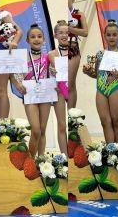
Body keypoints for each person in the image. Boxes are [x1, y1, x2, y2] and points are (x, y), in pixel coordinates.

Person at [10, 24, 52, 157]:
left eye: (39, 37)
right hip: (30, 96)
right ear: (27, 40)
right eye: (33, 37)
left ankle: (41, 159)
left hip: (45, 95)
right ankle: (30, 159)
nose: (36, 39)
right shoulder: (23, 57)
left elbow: (54, 75)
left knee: (43, 130)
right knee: (36, 130)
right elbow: (10, 73)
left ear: (44, 40)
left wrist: (55, 73)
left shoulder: (48, 57)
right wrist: (17, 84)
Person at [95, 20, 118, 143]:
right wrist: (88, 72)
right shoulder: (100, 54)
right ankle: (110, 151)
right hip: (101, 88)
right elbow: (97, 74)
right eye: (108, 35)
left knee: (116, 119)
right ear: (105, 36)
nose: (111, 37)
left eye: (114, 35)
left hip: (116, 87)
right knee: (104, 121)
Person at [49, 20, 68, 153]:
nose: (64, 35)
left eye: (67, 32)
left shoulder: (75, 51)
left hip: (72, 90)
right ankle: (64, 156)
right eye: (60, 32)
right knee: (62, 125)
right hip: (59, 90)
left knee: (75, 123)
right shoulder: (51, 54)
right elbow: (45, 72)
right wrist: (51, 72)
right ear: (55, 35)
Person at [68, 0, 88, 108]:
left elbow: (85, 32)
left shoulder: (78, 14)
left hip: (73, 48)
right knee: (61, 86)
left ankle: (71, 114)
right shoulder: (59, 12)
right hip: (59, 50)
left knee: (70, 84)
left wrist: (70, 29)